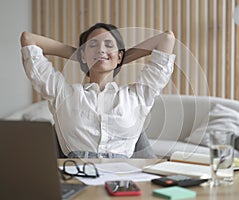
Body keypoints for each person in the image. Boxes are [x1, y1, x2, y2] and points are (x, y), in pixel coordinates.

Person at [20, 23, 175, 158]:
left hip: (121, 176)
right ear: (82, 54)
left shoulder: (137, 96)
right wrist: (83, 56)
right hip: (77, 175)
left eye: (108, 45)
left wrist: (116, 59)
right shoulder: (63, 93)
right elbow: (28, 39)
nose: (101, 49)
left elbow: (166, 39)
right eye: (93, 45)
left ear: (120, 56)